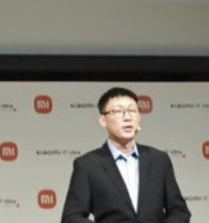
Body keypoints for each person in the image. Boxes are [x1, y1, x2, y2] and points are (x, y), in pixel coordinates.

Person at [61, 87, 190, 223]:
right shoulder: (87, 165)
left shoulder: (159, 160)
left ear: (139, 118)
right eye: (118, 112)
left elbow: (180, 212)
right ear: (103, 120)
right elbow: (71, 218)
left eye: (132, 111)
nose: (127, 117)